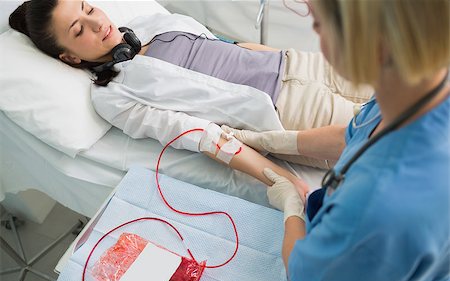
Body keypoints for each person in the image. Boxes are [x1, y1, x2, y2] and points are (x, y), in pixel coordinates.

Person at [224, 0, 450, 281]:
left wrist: (292, 210)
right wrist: (272, 139)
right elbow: (357, 133)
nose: (315, 32)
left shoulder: (376, 209)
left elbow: (306, 279)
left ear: (373, 43)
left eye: (318, 23)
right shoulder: (421, 88)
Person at [9, 0, 374, 180]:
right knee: (395, 143)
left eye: (88, 7)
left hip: (301, 64)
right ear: (70, 58)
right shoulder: (114, 95)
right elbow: (201, 136)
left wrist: (284, 55)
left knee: (424, 103)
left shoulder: (151, 22)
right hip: (289, 110)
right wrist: (281, 182)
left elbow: (226, 44)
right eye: (78, 30)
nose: (96, 21)